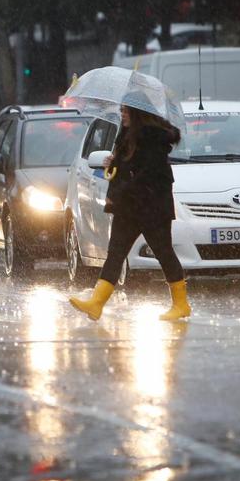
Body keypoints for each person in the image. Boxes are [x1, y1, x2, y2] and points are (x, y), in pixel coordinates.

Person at [69, 104, 191, 322]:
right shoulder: (127, 135)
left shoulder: (154, 140)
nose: (122, 115)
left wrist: (118, 192)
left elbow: (144, 176)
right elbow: (126, 168)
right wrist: (113, 162)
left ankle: (181, 304)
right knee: (116, 253)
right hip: (129, 208)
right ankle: (96, 303)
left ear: (138, 113)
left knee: (164, 252)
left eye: (125, 111)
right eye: (122, 111)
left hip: (152, 208)